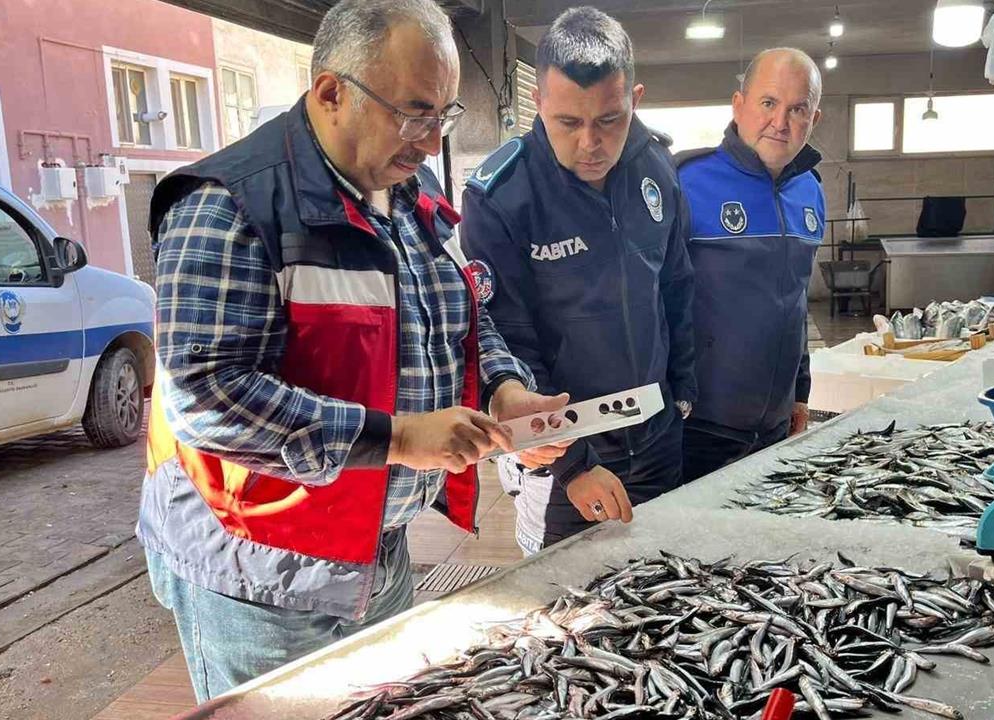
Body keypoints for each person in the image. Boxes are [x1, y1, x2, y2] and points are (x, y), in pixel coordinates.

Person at [136, 0, 565, 702]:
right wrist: (394, 438)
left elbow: (461, 313)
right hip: (259, 569)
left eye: (445, 116)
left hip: (375, 546)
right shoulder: (228, 207)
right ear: (331, 91)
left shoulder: (407, 189)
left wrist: (502, 390)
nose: (431, 143)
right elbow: (207, 398)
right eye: (414, 112)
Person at [461, 7, 696, 555]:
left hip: (658, 434)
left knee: (664, 591)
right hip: (564, 458)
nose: (591, 142)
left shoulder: (657, 168)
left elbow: (678, 288)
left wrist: (683, 398)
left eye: (610, 119)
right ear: (538, 102)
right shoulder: (501, 196)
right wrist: (573, 465)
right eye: (568, 122)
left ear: (634, 98)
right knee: (565, 609)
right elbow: (505, 342)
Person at [675, 48, 825, 481]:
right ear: (738, 105)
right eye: (768, 103)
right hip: (697, 429)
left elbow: (795, 303)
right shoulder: (684, 181)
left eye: (798, 109)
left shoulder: (810, 191)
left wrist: (800, 392)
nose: (780, 122)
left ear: (813, 120)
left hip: (776, 426)